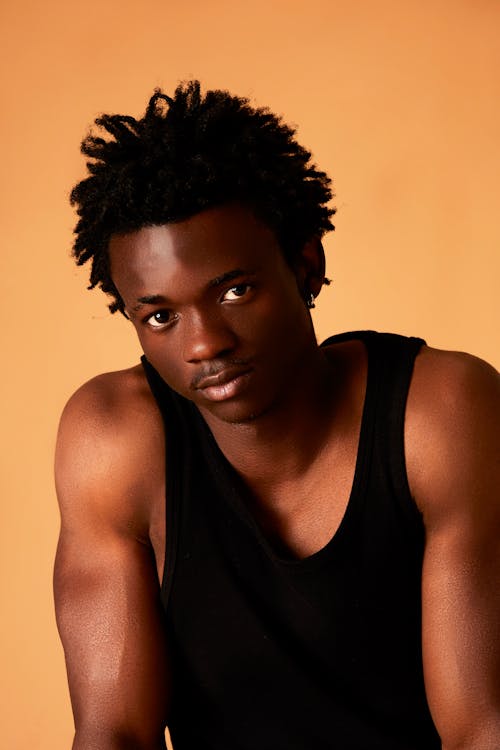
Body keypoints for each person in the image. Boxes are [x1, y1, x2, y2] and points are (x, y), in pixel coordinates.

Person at [54, 81, 500, 750]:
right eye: (161, 316)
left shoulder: (439, 413)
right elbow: (114, 733)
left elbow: (482, 728)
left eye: (235, 290)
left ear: (306, 264)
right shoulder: (116, 440)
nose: (204, 343)